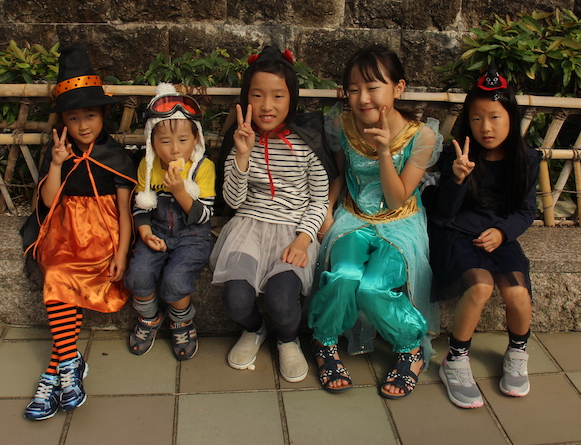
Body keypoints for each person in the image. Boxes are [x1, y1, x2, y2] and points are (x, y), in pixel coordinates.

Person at [307, 46, 441, 399]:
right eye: (353, 89)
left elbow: (397, 198)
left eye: (372, 87)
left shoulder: (421, 136)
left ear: (398, 88)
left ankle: (410, 347)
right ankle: (324, 341)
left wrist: (384, 151)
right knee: (344, 276)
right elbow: (339, 174)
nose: (362, 98)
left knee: (373, 288)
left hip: (400, 221)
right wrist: (327, 211)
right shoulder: (341, 124)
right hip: (353, 215)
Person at [20, 44, 137, 421]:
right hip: (64, 232)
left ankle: (54, 371)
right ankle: (69, 363)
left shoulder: (116, 157)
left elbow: (125, 212)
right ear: (63, 122)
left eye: (90, 115)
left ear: (102, 115)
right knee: (56, 273)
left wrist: (121, 254)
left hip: (104, 236)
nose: (84, 125)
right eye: (74, 118)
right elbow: (49, 200)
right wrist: (56, 164)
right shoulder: (59, 151)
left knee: (62, 282)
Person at [211, 46, 333, 383]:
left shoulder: (307, 143)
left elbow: (319, 199)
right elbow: (233, 201)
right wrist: (242, 155)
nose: (267, 105)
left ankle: (288, 339)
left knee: (282, 300)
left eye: (278, 96)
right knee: (236, 300)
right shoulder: (241, 139)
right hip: (249, 226)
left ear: (291, 98)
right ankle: (254, 329)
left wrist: (303, 240)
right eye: (258, 95)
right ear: (245, 97)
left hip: (293, 230)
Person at [425, 63, 539, 408]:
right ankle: (456, 359)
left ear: (511, 118)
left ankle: (517, 352)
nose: (485, 127)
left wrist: (503, 234)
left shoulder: (526, 159)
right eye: (476, 119)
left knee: (518, 292)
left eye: (494, 117)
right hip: (457, 232)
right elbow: (444, 211)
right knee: (481, 286)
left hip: (499, 236)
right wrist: (458, 178)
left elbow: (525, 212)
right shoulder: (457, 153)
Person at [124, 84, 215, 361]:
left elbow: (204, 216)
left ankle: (181, 321)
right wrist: (145, 233)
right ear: (152, 142)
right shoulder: (147, 166)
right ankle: (149, 317)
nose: (175, 150)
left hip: (192, 235)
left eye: (183, 140)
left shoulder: (203, 168)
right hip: (158, 230)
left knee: (175, 281)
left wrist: (179, 191)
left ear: (196, 139)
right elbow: (141, 208)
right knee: (138, 275)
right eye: (165, 142)